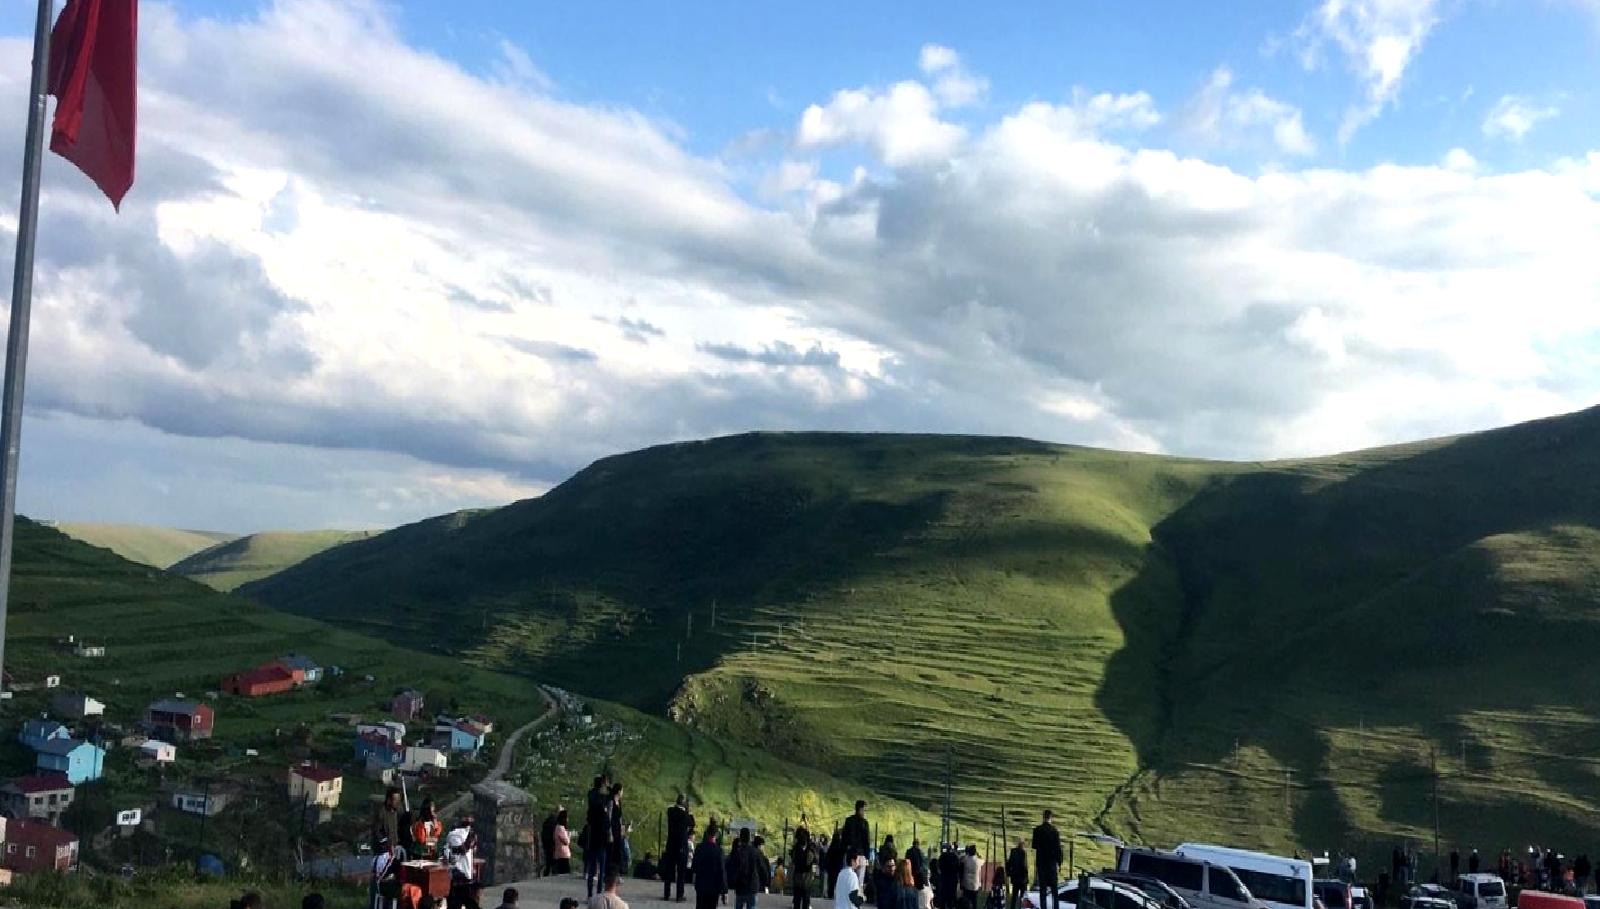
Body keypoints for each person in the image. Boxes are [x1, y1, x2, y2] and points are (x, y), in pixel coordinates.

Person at [587, 775, 616, 898]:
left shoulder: (592, 798)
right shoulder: (603, 800)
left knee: (592, 869)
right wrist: (608, 787)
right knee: (602, 869)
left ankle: (589, 894)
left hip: (592, 838)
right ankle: (599, 893)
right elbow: (608, 821)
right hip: (602, 840)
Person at [445, 817, 480, 909]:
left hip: (461, 875)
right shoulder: (456, 835)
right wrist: (471, 837)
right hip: (461, 875)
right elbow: (462, 849)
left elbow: (469, 849)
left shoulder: (459, 835)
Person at [667, 795, 695, 902]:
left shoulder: (670, 811)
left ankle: (667, 893)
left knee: (669, 870)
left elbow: (673, 810)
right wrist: (689, 812)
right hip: (681, 846)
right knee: (681, 872)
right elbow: (692, 824)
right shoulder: (685, 815)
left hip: (671, 845)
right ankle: (679, 895)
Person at [1032, 812, 1061, 909]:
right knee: (1054, 890)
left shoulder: (1037, 830)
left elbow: (1034, 845)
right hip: (1052, 864)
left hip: (1041, 864)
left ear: (1043, 817)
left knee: (1043, 890)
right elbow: (1058, 849)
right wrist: (1059, 862)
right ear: (1051, 818)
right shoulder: (1055, 831)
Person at [695, 828, 730, 909]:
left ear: (706, 834)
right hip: (714, 887)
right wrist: (725, 890)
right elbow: (722, 871)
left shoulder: (699, 848)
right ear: (716, 836)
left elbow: (694, 866)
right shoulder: (719, 851)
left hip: (701, 885)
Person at [793, 825, 820, 909]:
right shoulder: (810, 850)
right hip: (807, 879)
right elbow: (814, 861)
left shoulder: (796, 849)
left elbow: (795, 863)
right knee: (805, 901)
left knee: (797, 901)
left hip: (798, 878)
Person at [373, 787, 403, 855]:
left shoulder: (396, 812)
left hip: (395, 848)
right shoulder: (381, 813)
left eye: (398, 800)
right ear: (389, 800)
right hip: (383, 851)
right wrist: (387, 844)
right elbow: (377, 832)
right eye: (395, 799)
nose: (397, 802)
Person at [1006, 840, 1028, 909]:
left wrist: (1009, 873)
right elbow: (1023, 865)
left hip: (1014, 878)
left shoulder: (1013, 851)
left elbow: (1009, 863)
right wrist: (1026, 877)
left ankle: (1012, 907)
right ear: (1023, 845)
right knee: (1022, 897)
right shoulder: (1023, 853)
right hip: (1022, 879)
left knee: (1014, 896)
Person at [826, 834, 847, 899]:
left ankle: (830, 894)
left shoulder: (832, 846)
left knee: (831, 881)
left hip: (831, 866)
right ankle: (839, 894)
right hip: (838, 865)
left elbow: (828, 856)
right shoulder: (840, 846)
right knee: (838, 881)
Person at [543, 807, 561, 877]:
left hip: (547, 843)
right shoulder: (556, 823)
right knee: (554, 860)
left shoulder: (546, 822)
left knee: (548, 860)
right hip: (553, 843)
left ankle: (547, 873)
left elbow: (543, 834)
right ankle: (554, 873)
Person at [555, 809, 574, 875]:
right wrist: (569, 835)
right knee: (565, 872)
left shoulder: (557, 827)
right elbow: (566, 841)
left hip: (559, 852)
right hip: (563, 853)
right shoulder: (561, 828)